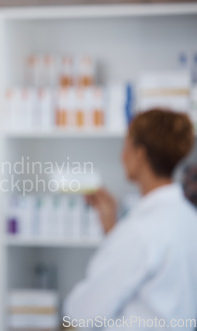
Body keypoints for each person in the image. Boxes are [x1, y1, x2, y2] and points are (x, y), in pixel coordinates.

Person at [63, 109, 197, 330]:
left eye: (126, 147)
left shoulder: (141, 230)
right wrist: (112, 228)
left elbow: (83, 313)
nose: (121, 155)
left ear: (140, 154)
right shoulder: (188, 217)